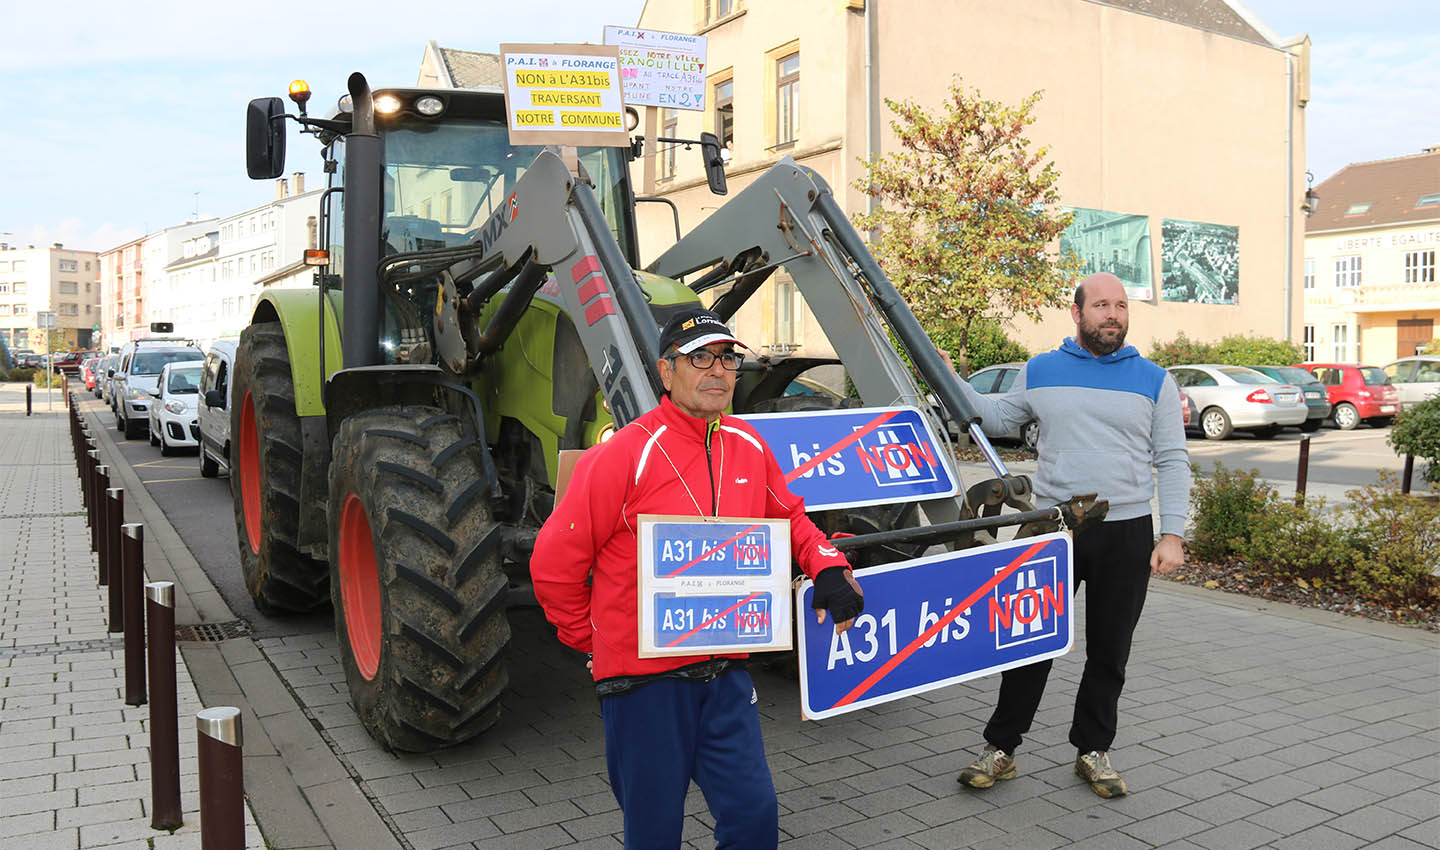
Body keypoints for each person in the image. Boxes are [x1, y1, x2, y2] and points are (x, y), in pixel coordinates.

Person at [531, 306, 865, 849]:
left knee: (755, 821)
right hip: (643, 686)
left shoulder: (749, 446)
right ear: (667, 372)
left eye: (728, 359)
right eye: (700, 358)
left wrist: (828, 565)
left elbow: (792, 519)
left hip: (724, 675)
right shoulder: (624, 454)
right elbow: (552, 564)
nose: (717, 371)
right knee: (655, 834)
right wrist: (593, 641)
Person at [951, 272, 1189, 799]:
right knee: (1029, 642)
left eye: (1121, 306)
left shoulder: (1154, 379)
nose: (1114, 314)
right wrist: (952, 380)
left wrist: (1172, 533)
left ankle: (1093, 750)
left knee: (1110, 649)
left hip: (1126, 529)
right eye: (1102, 305)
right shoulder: (1042, 370)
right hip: (1054, 526)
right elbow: (992, 416)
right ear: (1077, 314)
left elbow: (1172, 459)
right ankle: (1002, 748)